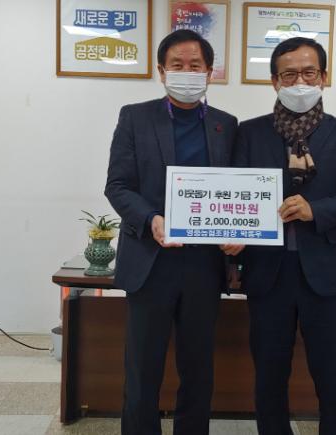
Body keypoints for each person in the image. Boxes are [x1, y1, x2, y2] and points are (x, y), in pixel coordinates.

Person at [231, 37, 336, 435]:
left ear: (323, 77)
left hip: (325, 272)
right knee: (269, 372)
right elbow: (235, 191)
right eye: (289, 74)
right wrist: (231, 240)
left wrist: (316, 210)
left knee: (332, 372)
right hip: (267, 271)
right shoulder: (250, 133)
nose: (300, 82)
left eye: (309, 73)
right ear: (274, 81)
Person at [104, 29, 238, 435]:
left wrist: (240, 231)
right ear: (161, 71)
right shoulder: (135, 117)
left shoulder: (227, 125)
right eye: (177, 65)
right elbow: (118, 186)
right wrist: (151, 219)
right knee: (142, 369)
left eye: (195, 65)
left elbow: (239, 190)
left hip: (204, 264)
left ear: (210, 72)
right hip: (151, 260)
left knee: (198, 369)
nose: (186, 72)